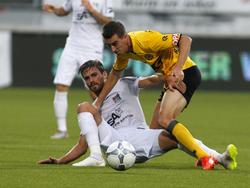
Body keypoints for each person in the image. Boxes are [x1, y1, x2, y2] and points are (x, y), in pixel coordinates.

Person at [38, 60, 238, 170]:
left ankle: (221, 158)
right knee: (84, 107)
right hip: (116, 143)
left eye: (94, 75)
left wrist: (164, 78)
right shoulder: (93, 109)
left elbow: (149, 81)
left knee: (176, 136)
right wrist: (60, 161)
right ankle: (97, 156)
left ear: (105, 75)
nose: (91, 80)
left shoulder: (123, 83)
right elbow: (82, 143)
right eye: (87, 78)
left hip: (142, 137)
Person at [93, 21, 222, 167]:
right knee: (155, 132)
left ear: (124, 37)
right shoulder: (123, 52)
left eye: (115, 43)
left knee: (165, 119)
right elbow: (115, 74)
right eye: (109, 45)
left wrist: (178, 69)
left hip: (186, 73)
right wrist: (99, 102)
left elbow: (185, 39)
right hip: (170, 77)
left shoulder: (146, 40)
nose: (113, 49)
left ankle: (204, 157)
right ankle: (218, 157)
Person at [42, 0, 114, 139]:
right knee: (61, 84)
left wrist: (91, 9)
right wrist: (54, 9)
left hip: (91, 46)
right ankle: (62, 130)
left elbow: (108, 21)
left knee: (95, 89)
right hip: (72, 46)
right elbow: (64, 10)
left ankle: (108, 124)